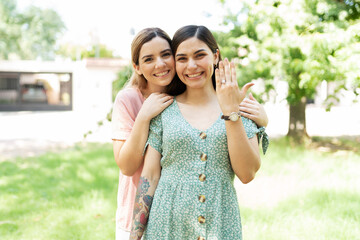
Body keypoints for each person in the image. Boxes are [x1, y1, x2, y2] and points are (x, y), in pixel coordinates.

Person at [112, 27, 268, 240]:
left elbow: (247, 174)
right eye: (182, 58)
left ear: (215, 56)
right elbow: (149, 176)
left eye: (200, 55)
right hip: (165, 226)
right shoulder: (163, 109)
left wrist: (231, 112)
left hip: (220, 224)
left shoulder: (238, 106)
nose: (192, 65)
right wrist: (134, 236)